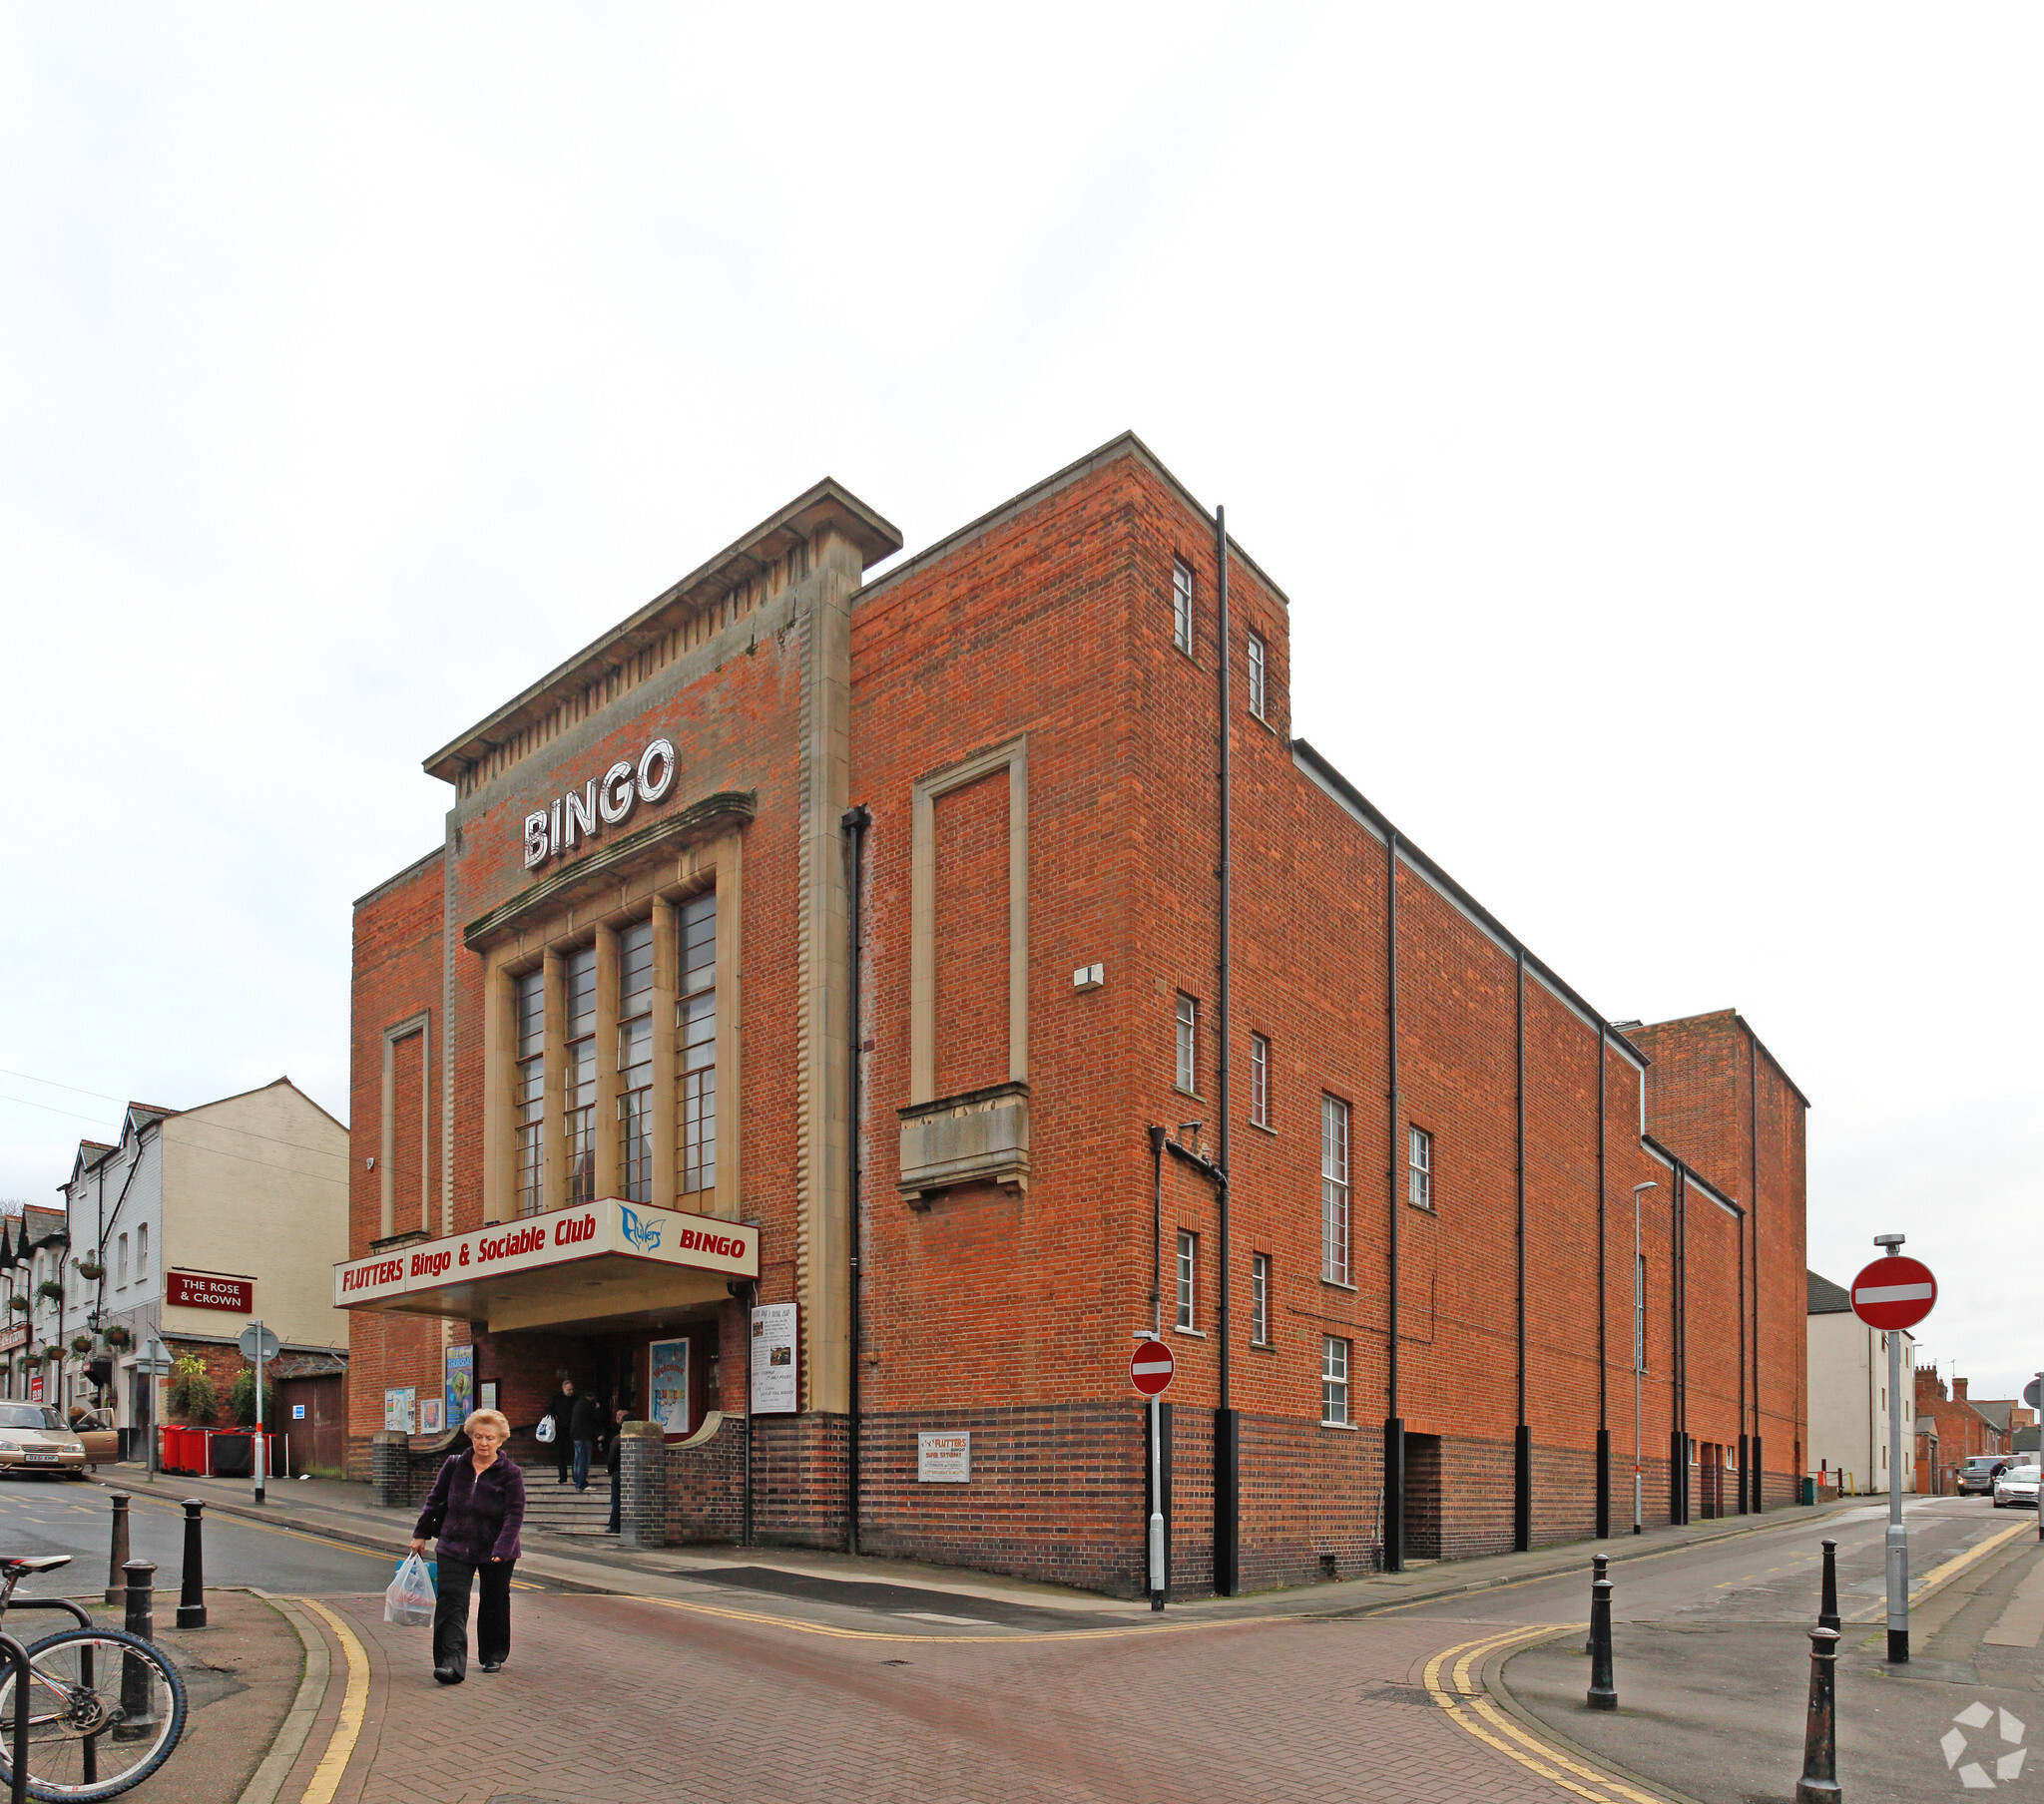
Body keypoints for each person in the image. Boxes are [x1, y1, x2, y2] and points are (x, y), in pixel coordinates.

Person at [410, 1407, 524, 1684]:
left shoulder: (510, 1473)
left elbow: (514, 1514)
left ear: (500, 1441)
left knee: (494, 1601)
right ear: (471, 1437)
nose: (483, 1443)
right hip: (454, 1543)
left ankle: (493, 1653)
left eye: (490, 1438)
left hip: (496, 1548)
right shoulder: (454, 1465)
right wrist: (420, 1533)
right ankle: (451, 1663)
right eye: (478, 1437)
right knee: (451, 1602)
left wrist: (502, 1548)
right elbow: (435, 1500)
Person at [568, 1385, 605, 1492]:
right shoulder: (588, 1405)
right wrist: (597, 1408)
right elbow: (597, 1418)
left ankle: (576, 1480)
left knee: (577, 1459)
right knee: (584, 1460)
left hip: (576, 1435)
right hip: (584, 1435)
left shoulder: (578, 1403)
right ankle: (581, 1483)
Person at [543, 1377, 577, 1485]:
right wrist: (553, 1414)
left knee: (573, 1453)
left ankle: (575, 1476)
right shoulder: (557, 1398)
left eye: (572, 1389)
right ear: (563, 1389)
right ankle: (563, 1476)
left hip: (572, 1429)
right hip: (560, 1430)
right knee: (560, 1454)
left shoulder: (576, 1399)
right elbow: (548, 1409)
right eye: (568, 1390)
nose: (570, 1392)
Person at [605, 1406, 628, 1533]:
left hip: (618, 1475)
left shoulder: (618, 1439)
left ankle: (614, 1526)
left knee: (616, 1501)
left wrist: (610, 1470)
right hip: (630, 1475)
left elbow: (611, 1458)